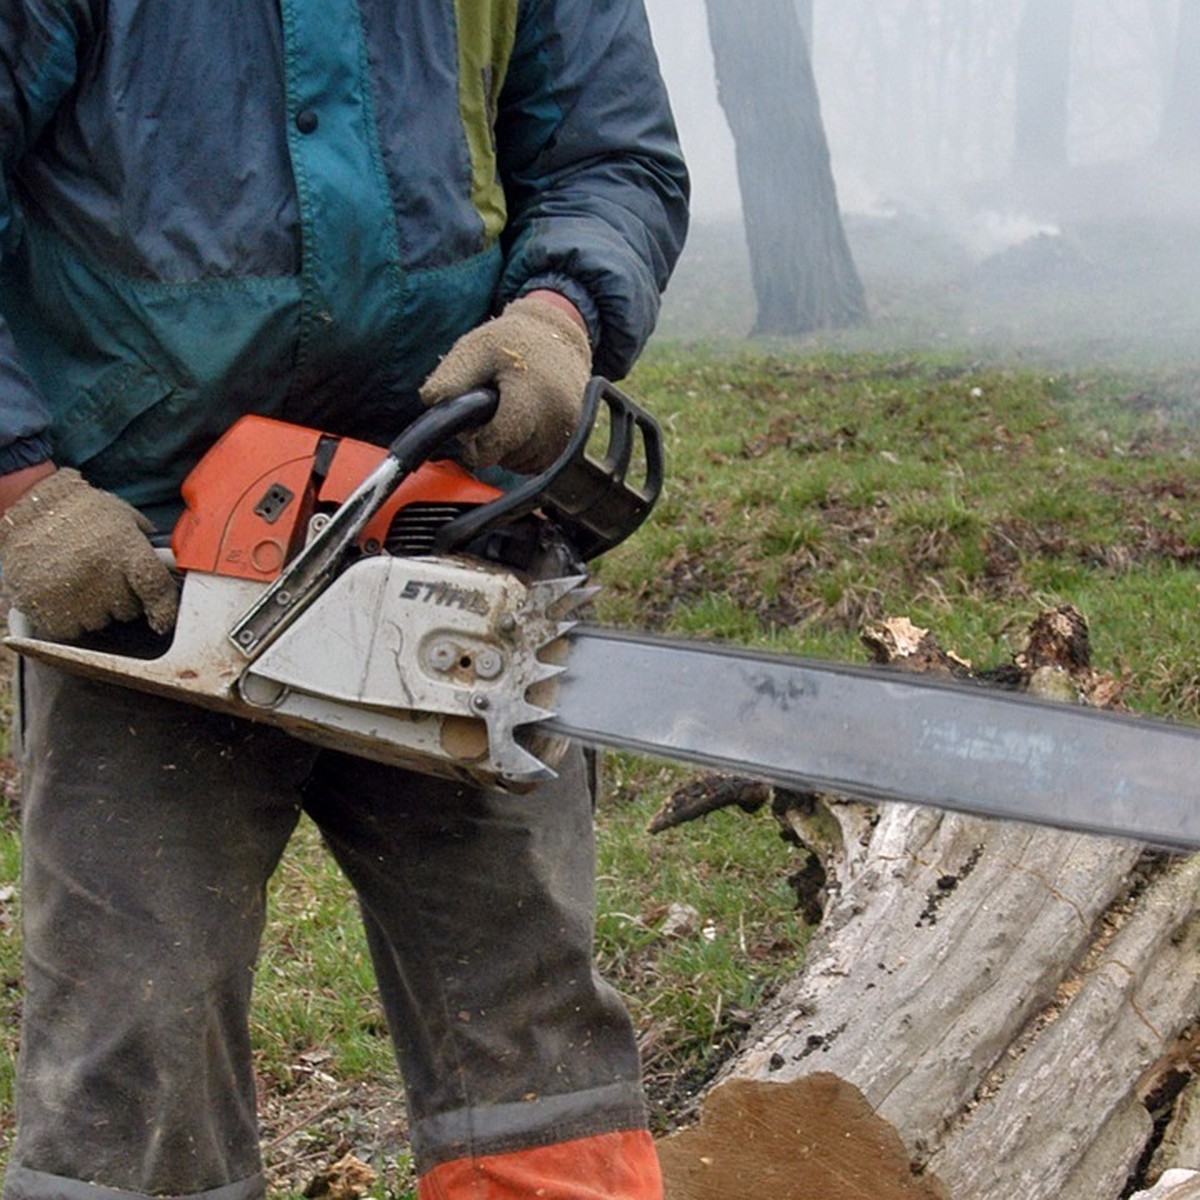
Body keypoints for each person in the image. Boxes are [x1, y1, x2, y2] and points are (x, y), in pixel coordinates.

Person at [0, 3, 689, 1198]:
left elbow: (608, 151)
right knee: (135, 1050)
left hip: (450, 523)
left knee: (531, 1039)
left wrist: (558, 313)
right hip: (149, 555)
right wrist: (16, 484)